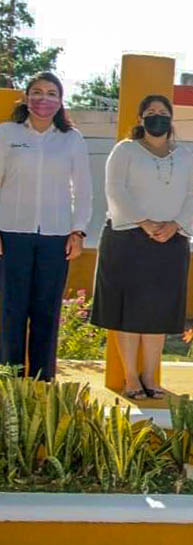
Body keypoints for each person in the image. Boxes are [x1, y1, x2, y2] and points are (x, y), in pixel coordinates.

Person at [91, 95, 193, 400]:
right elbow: (115, 189)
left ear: (171, 119)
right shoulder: (124, 150)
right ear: (140, 119)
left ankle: (150, 377)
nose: (157, 117)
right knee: (127, 312)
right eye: (150, 112)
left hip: (170, 241)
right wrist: (143, 221)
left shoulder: (186, 156)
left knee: (157, 312)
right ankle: (130, 378)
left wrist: (175, 225)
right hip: (127, 238)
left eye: (163, 113)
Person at [0, 72, 91, 380]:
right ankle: (8, 381)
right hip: (11, 234)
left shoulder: (72, 139)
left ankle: (42, 382)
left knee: (46, 312)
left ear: (60, 101)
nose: (43, 99)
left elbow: (83, 189)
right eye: (37, 92)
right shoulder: (7, 133)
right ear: (26, 98)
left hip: (56, 236)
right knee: (10, 311)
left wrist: (78, 230)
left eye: (51, 93)